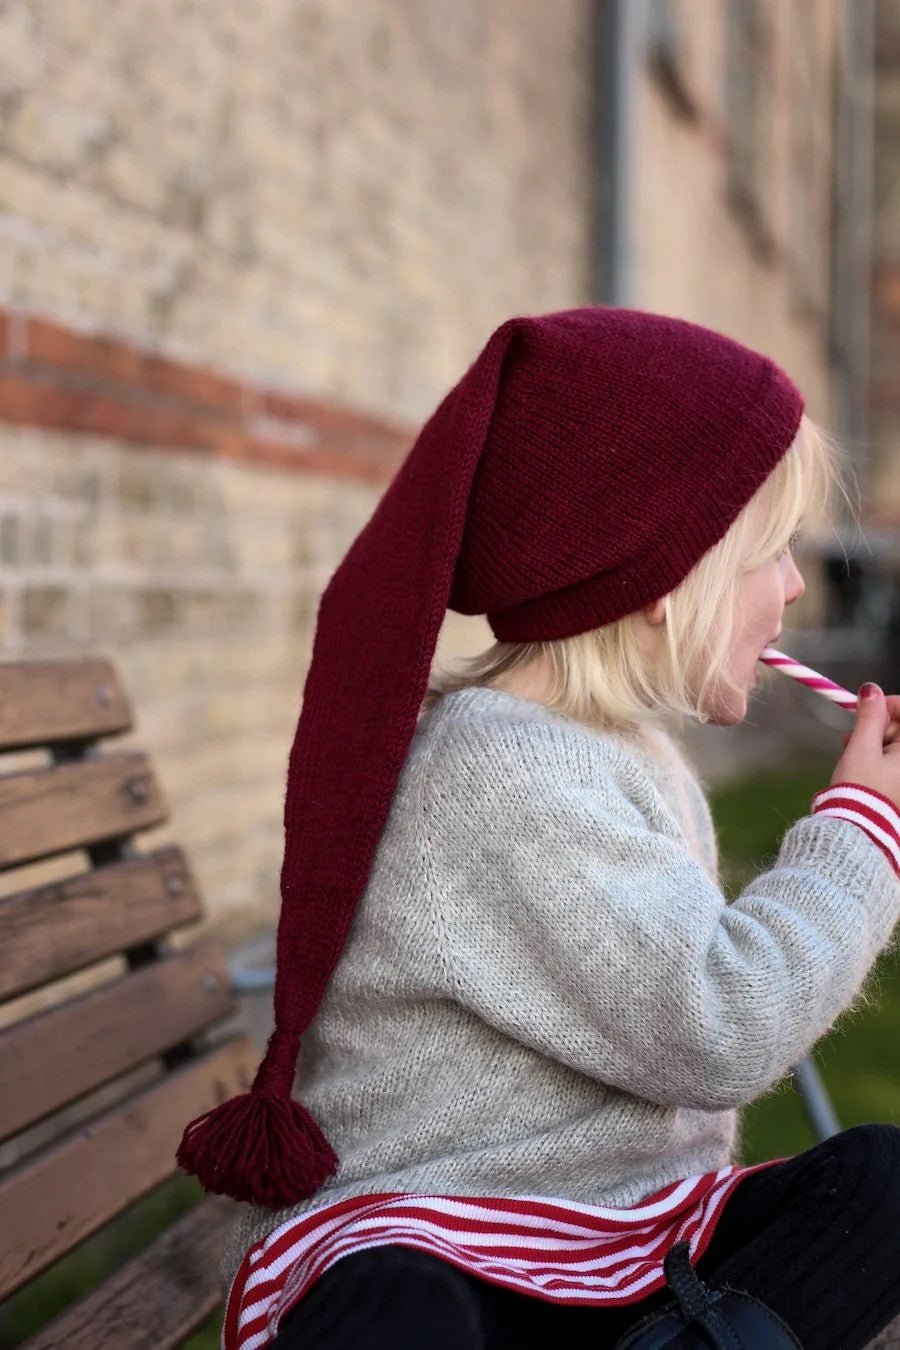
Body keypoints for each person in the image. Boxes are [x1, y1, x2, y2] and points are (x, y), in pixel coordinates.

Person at [177, 309, 900, 1350]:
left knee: (877, 1186)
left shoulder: (626, 753)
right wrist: (863, 832)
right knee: (400, 1316)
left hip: (616, 1239)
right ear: (667, 570)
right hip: (455, 1232)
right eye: (771, 551)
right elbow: (719, 1023)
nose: (794, 584)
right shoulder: (501, 767)